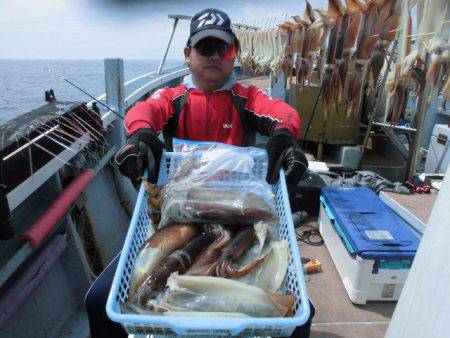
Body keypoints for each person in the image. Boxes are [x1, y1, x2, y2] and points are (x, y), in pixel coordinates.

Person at [85, 8, 313, 338]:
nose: (215, 56)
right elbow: (144, 110)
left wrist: (285, 136)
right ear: (188, 55)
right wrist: (140, 136)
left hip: (238, 214)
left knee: (301, 314)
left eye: (225, 49)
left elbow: (281, 113)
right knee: (98, 302)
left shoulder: (247, 97)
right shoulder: (174, 97)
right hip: (180, 214)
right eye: (206, 48)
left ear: (234, 54)